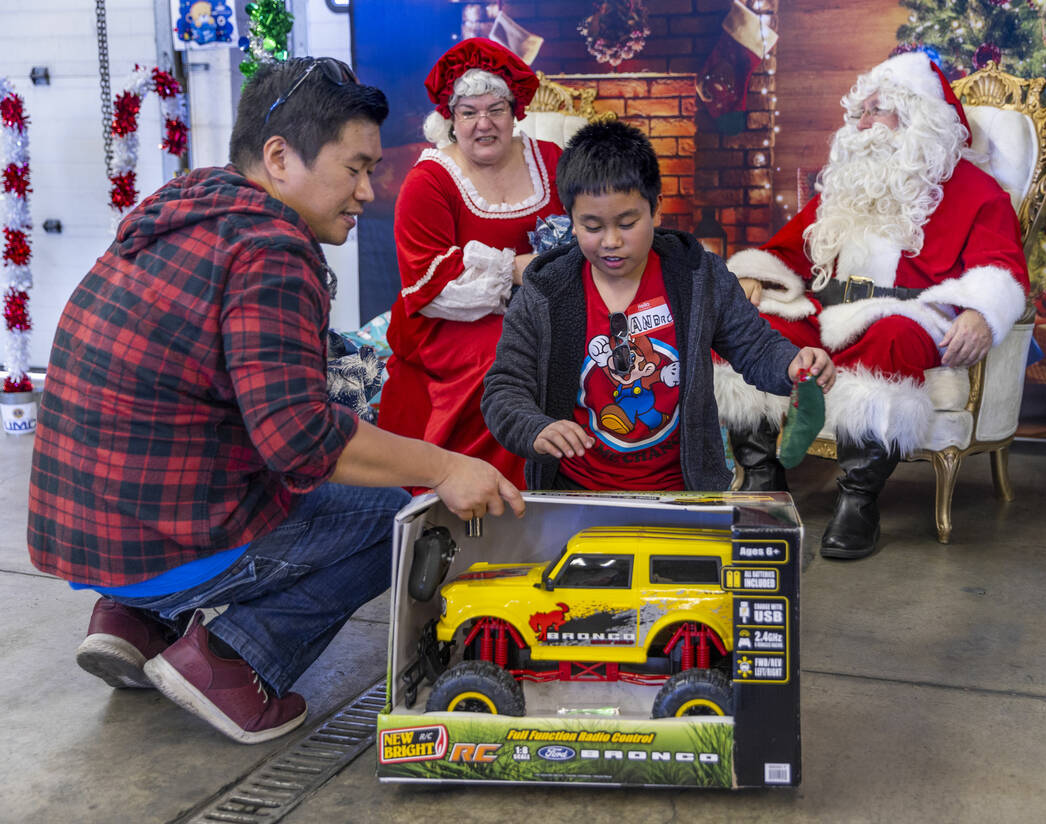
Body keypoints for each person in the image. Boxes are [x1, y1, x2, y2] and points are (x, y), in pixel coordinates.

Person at [26, 57, 524, 745]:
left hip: (85, 532)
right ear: (280, 156)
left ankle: (134, 623)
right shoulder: (272, 250)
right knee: (404, 515)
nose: (368, 192)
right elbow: (301, 439)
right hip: (158, 547)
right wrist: (444, 468)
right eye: (354, 168)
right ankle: (235, 661)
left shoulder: (188, 208)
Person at [715, 52, 1028, 560]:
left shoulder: (976, 192)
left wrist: (980, 312)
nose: (861, 124)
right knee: (751, 326)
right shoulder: (844, 186)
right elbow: (787, 248)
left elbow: (1001, 268)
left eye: (875, 111)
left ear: (916, 119)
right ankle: (762, 477)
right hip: (827, 310)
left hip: (910, 316)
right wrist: (753, 275)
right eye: (859, 112)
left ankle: (857, 501)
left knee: (891, 337)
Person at [481, 120, 834, 491]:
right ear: (571, 221)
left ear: (656, 210)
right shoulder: (546, 292)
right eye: (592, 226)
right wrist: (535, 428)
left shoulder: (697, 275)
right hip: (576, 491)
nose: (612, 241)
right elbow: (505, 388)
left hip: (682, 491)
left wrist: (793, 363)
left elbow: (755, 346)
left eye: (628, 222)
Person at [378, 38, 565, 489]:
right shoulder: (430, 181)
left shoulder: (553, 160)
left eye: (495, 109)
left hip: (553, 306)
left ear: (515, 110)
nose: (484, 124)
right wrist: (517, 270)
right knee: (505, 359)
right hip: (453, 321)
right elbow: (432, 284)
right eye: (469, 112)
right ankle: (491, 489)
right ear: (450, 118)